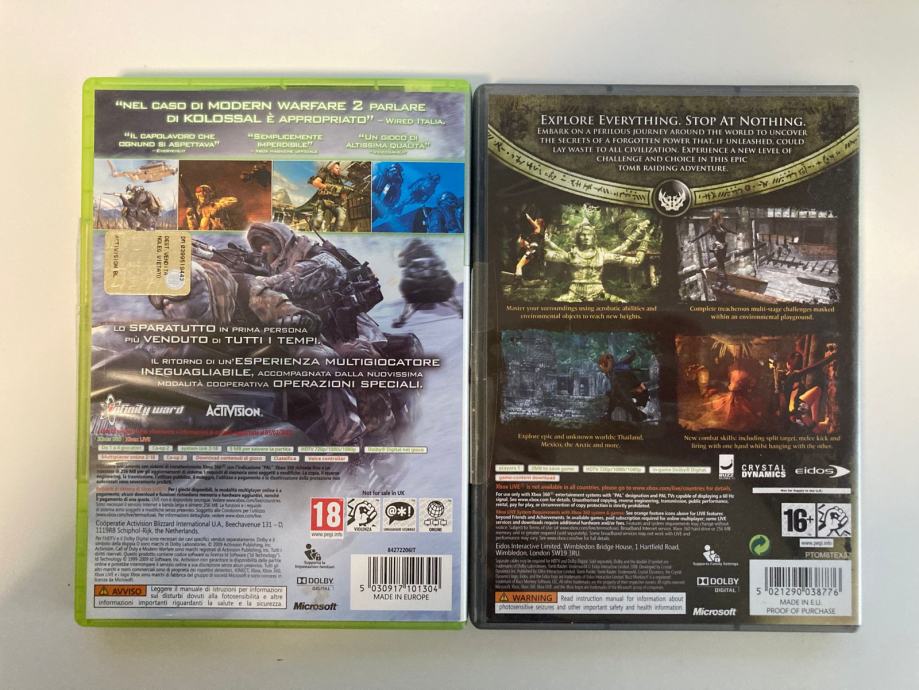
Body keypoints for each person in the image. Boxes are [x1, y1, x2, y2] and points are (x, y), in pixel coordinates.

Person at [544, 219, 653, 302]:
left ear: (594, 237)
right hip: (573, 295)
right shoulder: (570, 255)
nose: (586, 237)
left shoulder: (602, 255)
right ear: (578, 237)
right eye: (583, 235)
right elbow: (545, 255)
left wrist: (645, 239)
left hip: (600, 294)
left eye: (589, 235)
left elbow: (636, 261)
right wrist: (541, 242)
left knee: (625, 305)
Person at [689, 210, 738, 283]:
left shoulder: (721, 226)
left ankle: (719, 280)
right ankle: (723, 281)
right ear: (716, 219)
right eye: (718, 218)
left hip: (724, 247)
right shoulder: (713, 227)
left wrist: (736, 233)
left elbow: (728, 230)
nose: (720, 219)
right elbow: (703, 234)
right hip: (718, 247)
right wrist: (693, 240)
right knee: (721, 264)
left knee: (721, 264)